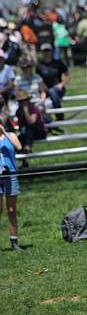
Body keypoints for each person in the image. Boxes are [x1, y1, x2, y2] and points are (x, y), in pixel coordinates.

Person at [0, 107, 23, 251]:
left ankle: (14, 242)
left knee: (11, 209)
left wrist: (4, 134)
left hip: (11, 175)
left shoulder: (11, 135)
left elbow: (19, 147)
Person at [36, 43, 70, 122]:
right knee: (50, 92)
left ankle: (59, 116)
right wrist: (43, 88)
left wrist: (61, 84)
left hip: (58, 89)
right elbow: (38, 79)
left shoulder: (58, 63)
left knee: (52, 91)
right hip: (44, 90)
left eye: (48, 51)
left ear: (51, 52)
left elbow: (67, 75)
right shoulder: (39, 65)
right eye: (44, 51)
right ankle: (59, 117)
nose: (46, 53)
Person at [15, 90, 47, 155]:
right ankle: (23, 160)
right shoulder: (18, 111)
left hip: (39, 131)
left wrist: (26, 112)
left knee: (30, 127)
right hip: (27, 133)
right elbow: (20, 125)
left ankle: (28, 147)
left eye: (24, 101)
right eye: (20, 101)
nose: (22, 103)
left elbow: (31, 122)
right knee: (18, 139)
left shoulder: (33, 108)